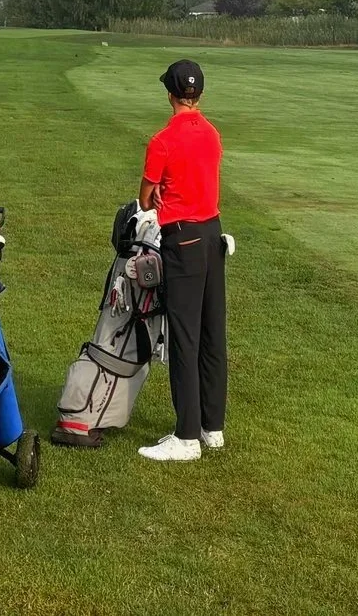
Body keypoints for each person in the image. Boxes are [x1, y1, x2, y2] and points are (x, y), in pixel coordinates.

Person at [138, 58, 228, 461]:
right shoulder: (212, 134)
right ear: (199, 94)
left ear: (170, 94)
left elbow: (145, 199)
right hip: (212, 235)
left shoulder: (162, 140)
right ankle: (212, 427)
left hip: (183, 239)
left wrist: (157, 192)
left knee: (185, 338)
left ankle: (187, 436)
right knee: (212, 333)